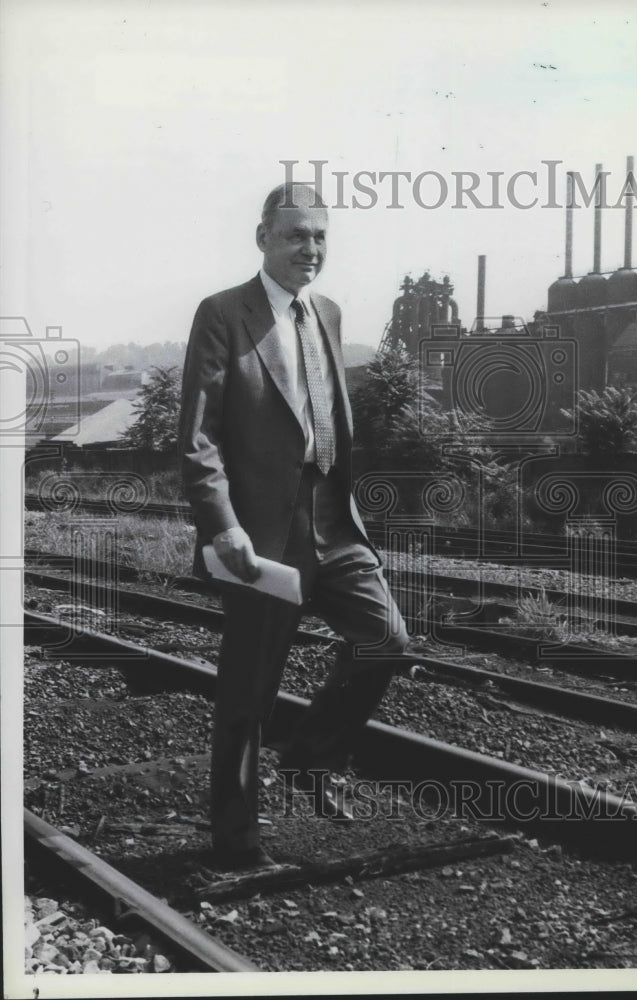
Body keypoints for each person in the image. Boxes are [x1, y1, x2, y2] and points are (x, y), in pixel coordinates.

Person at [179, 182, 409, 868]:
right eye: (294, 236)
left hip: (332, 522)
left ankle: (310, 756)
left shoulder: (329, 313)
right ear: (262, 239)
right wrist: (223, 527)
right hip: (261, 533)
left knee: (384, 637)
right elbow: (197, 436)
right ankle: (236, 845)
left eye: (318, 237)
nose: (308, 249)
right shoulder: (223, 314)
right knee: (249, 690)